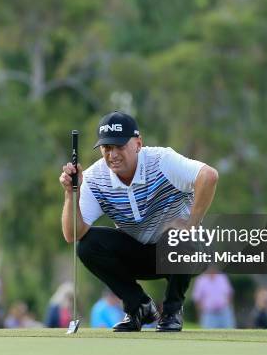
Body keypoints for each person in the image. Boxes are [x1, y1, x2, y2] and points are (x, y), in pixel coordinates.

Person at [59, 111, 218, 332]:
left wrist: (191, 225)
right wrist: (71, 193)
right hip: (140, 254)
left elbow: (208, 176)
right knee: (87, 245)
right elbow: (72, 234)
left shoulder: (162, 161)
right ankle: (139, 307)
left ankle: (172, 311)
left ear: (138, 143)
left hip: (185, 252)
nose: (112, 154)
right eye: (107, 148)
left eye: (119, 146)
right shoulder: (96, 178)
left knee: (179, 237)